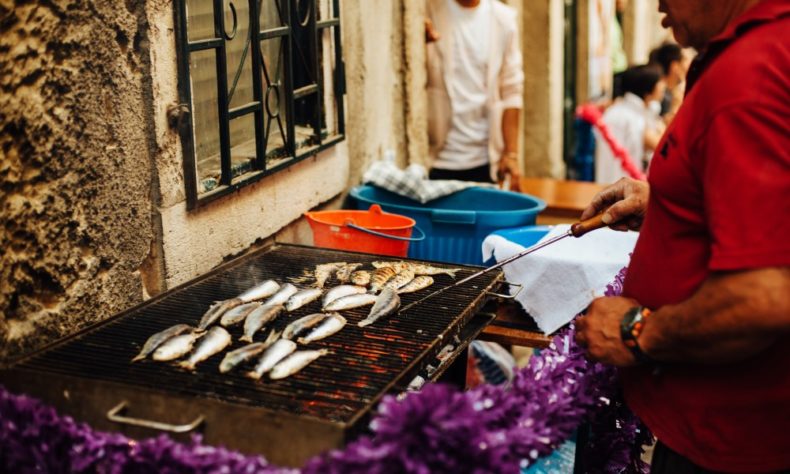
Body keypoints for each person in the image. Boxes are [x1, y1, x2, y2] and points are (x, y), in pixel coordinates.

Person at [575, 0, 790, 472]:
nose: (657, 4)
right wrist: (672, 201)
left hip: (733, 441)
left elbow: (763, 298)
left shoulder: (750, 73)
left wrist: (636, 332)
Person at [425, 0, 524, 191]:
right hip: (435, 159)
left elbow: (511, 90)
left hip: (485, 160)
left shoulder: (504, 19)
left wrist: (511, 154)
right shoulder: (429, 10)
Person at [594, 64, 665, 184]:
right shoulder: (631, 117)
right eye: (660, 82)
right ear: (648, 89)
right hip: (618, 185)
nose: (663, 86)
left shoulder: (629, 111)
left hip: (616, 182)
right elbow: (659, 145)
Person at [648, 42, 694, 124]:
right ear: (674, 66)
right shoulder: (658, 95)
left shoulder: (672, 92)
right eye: (686, 60)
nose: (689, 65)